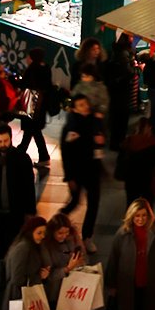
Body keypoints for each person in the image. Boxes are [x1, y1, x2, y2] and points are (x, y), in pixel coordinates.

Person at [0, 121, 37, 284]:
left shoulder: (21, 158)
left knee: (14, 241)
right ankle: (0, 271)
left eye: (5, 141)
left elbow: (29, 186)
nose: (2, 145)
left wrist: (30, 211)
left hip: (15, 211)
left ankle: (12, 271)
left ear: (10, 139)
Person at [59, 92, 106, 254]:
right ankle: (57, 224)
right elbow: (66, 153)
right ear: (74, 109)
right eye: (80, 105)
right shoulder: (71, 127)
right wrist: (69, 176)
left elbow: (100, 138)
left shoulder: (95, 121)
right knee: (74, 202)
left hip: (93, 171)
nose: (85, 107)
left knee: (93, 205)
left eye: (85, 104)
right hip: (78, 172)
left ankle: (87, 236)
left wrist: (101, 140)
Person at [117, 116, 155, 207]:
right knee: (146, 206)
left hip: (130, 181)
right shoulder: (152, 143)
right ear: (149, 128)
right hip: (147, 181)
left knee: (131, 205)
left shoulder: (128, 141)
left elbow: (120, 160)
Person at [18, 47, 53, 167]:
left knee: (31, 131)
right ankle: (42, 156)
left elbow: (24, 85)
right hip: (40, 107)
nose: (27, 59)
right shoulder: (46, 68)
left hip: (31, 105)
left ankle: (19, 154)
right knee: (33, 131)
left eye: (29, 57)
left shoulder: (32, 70)